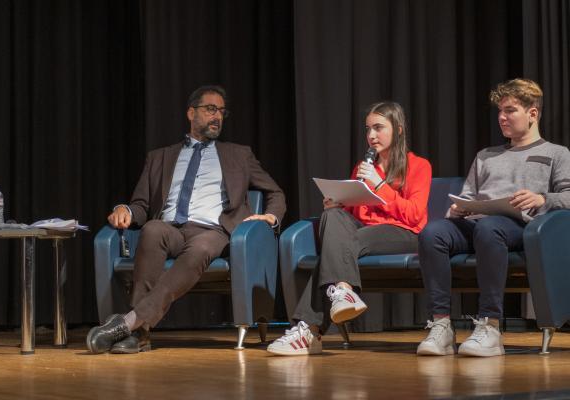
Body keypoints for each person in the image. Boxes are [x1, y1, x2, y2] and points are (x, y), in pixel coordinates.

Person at [87, 85, 286, 354]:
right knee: (152, 230)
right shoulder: (160, 157)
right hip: (170, 229)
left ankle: (130, 323)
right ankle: (139, 333)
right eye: (210, 109)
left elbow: (275, 192)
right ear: (191, 113)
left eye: (221, 112)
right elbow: (142, 205)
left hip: (214, 230)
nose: (217, 116)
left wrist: (271, 217)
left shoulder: (239, 155)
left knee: (202, 247)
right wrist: (125, 209)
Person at [416, 78, 570, 357]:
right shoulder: (486, 155)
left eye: (510, 110)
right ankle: (441, 327)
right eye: (500, 111)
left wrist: (542, 199)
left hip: (519, 226)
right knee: (432, 233)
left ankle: (490, 326)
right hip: (477, 221)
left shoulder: (556, 153)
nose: (502, 117)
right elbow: (467, 194)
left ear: (532, 113)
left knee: (489, 229)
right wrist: (457, 209)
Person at [267, 101, 432, 356]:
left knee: (348, 242)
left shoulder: (418, 166)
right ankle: (342, 292)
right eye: (368, 129)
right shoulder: (364, 167)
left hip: (404, 233)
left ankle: (309, 329)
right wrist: (340, 203)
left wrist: (379, 186)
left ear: (398, 129)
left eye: (378, 128)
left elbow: (414, 215)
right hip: (365, 232)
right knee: (332, 217)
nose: (371, 136)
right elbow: (357, 212)